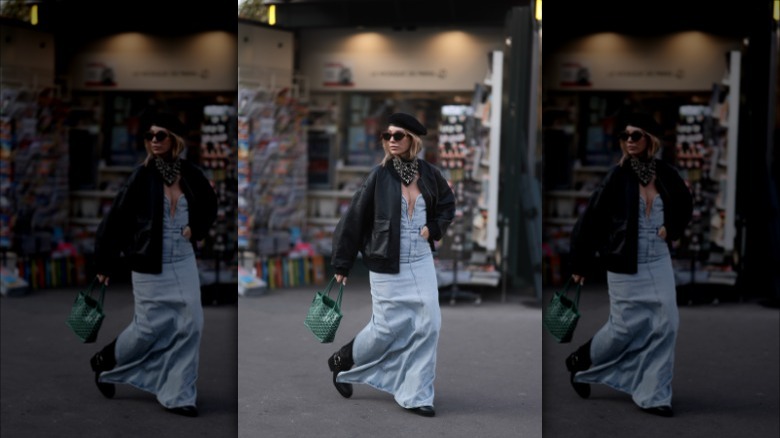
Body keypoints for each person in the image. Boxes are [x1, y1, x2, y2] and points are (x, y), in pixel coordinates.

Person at [89, 110, 218, 418]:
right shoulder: (141, 176)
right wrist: (105, 262)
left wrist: (196, 229)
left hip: (183, 259)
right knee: (148, 328)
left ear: (174, 139)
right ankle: (106, 359)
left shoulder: (191, 173)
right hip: (149, 263)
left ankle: (179, 394)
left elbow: (210, 205)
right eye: (149, 136)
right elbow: (116, 219)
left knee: (192, 324)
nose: (154, 141)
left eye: (160, 135)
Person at [327, 112, 456, 417]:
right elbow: (354, 219)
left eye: (398, 135)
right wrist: (342, 264)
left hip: (421, 259)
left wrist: (435, 228)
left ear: (413, 139)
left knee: (430, 324)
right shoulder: (378, 176)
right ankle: (343, 358)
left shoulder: (430, 174)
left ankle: (417, 394)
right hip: (386, 263)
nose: (392, 141)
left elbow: (448, 205)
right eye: (387, 135)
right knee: (386, 329)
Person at [566, 112, 693, 417]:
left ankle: (654, 394)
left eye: (637, 135)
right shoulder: (616, 176)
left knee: (667, 324)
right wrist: (581, 262)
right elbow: (591, 220)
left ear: (651, 138)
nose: (630, 141)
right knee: (624, 328)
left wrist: (672, 228)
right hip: (624, 262)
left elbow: (685, 204)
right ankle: (582, 358)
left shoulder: (667, 173)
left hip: (658, 259)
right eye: (625, 136)